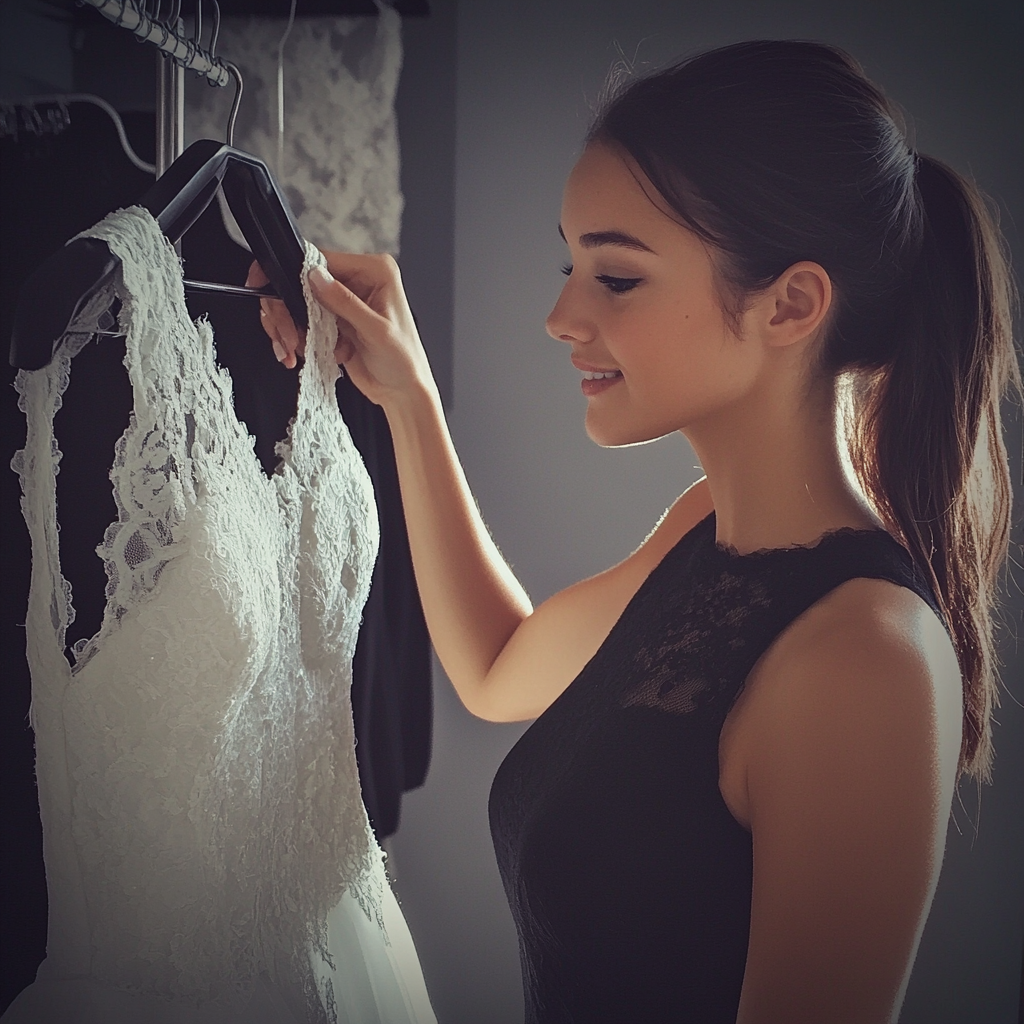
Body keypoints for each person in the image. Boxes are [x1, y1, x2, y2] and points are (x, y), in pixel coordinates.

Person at [253, 39, 1020, 1024]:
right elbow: (497, 666)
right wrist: (409, 399)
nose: (559, 315)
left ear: (789, 303)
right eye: (568, 263)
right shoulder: (709, 530)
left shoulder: (866, 658)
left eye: (614, 279)